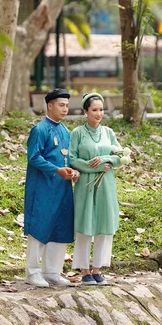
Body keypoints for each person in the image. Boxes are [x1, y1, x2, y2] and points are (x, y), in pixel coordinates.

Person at [24, 88, 80, 287]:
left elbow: (67, 157)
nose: (65, 109)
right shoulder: (39, 129)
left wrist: (73, 171)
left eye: (67, 105)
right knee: (40, 226)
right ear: (50, 105)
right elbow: (34, 157)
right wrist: (57, 170)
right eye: (61, 105)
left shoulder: (65, 131)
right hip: (42, 187)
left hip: (62, 187)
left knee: (60, 226)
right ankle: (32, 272)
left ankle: (52, 272)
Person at [69, 92, 122, 285]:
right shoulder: (77, 133)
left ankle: (98, 269)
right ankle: (84, 271)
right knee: (86, 225)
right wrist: (97, 166)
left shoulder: (108, 133)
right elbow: (72, 159)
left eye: (101, 110)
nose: (99, 114)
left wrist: (107, 159)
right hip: (85, 184)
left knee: (104, 226)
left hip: (106, 185)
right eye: (94, 110)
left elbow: (120, 156)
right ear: (85, 111)